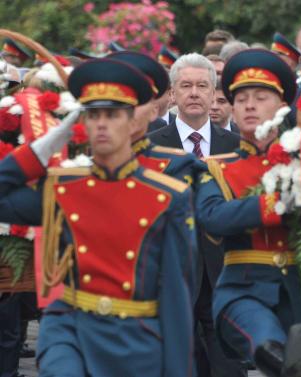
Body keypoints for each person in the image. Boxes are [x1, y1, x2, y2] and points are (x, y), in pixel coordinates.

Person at [0, 58, 196, 377]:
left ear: (134, 123)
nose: (101, 124)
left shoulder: (167, 197)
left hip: (136, 341)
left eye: (112, 115)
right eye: (92, 115)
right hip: (70, 333)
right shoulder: (65, 188)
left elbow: (175, 298)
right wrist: (41, 149)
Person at [196, 48, 301, 377]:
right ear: (231, 108)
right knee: (267, 344)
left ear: (282, 106)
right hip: (244, 289)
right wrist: (275, 204)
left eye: (261, 97)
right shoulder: (216, 168)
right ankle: (279, 360)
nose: (249, 104)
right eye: (241, 98)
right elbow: (212, 217)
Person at [149, 52, 244, 377]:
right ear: (172, 94)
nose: (193, 93)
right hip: (170, 269)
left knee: (227, 360)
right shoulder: (150, 147)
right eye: (185, 86)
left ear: (214, 92)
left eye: (202, 86)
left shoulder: (236, 145)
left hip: (224, 269)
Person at [108, 50, 202, 183]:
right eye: (119, 104)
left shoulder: (178, 166)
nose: (128, 112)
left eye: (138, 102)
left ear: (153, 110)